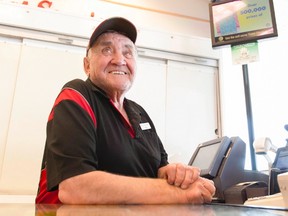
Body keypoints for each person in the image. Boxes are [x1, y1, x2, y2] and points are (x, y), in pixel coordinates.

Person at [36, 17, 215, 204]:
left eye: (128, 53)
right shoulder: (76, 95)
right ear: (87, 65)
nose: (119, 60)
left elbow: (160, 168)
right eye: (107, 50)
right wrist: (180, 193)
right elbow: (75, 188)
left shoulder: (139, 112)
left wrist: (174, 174)